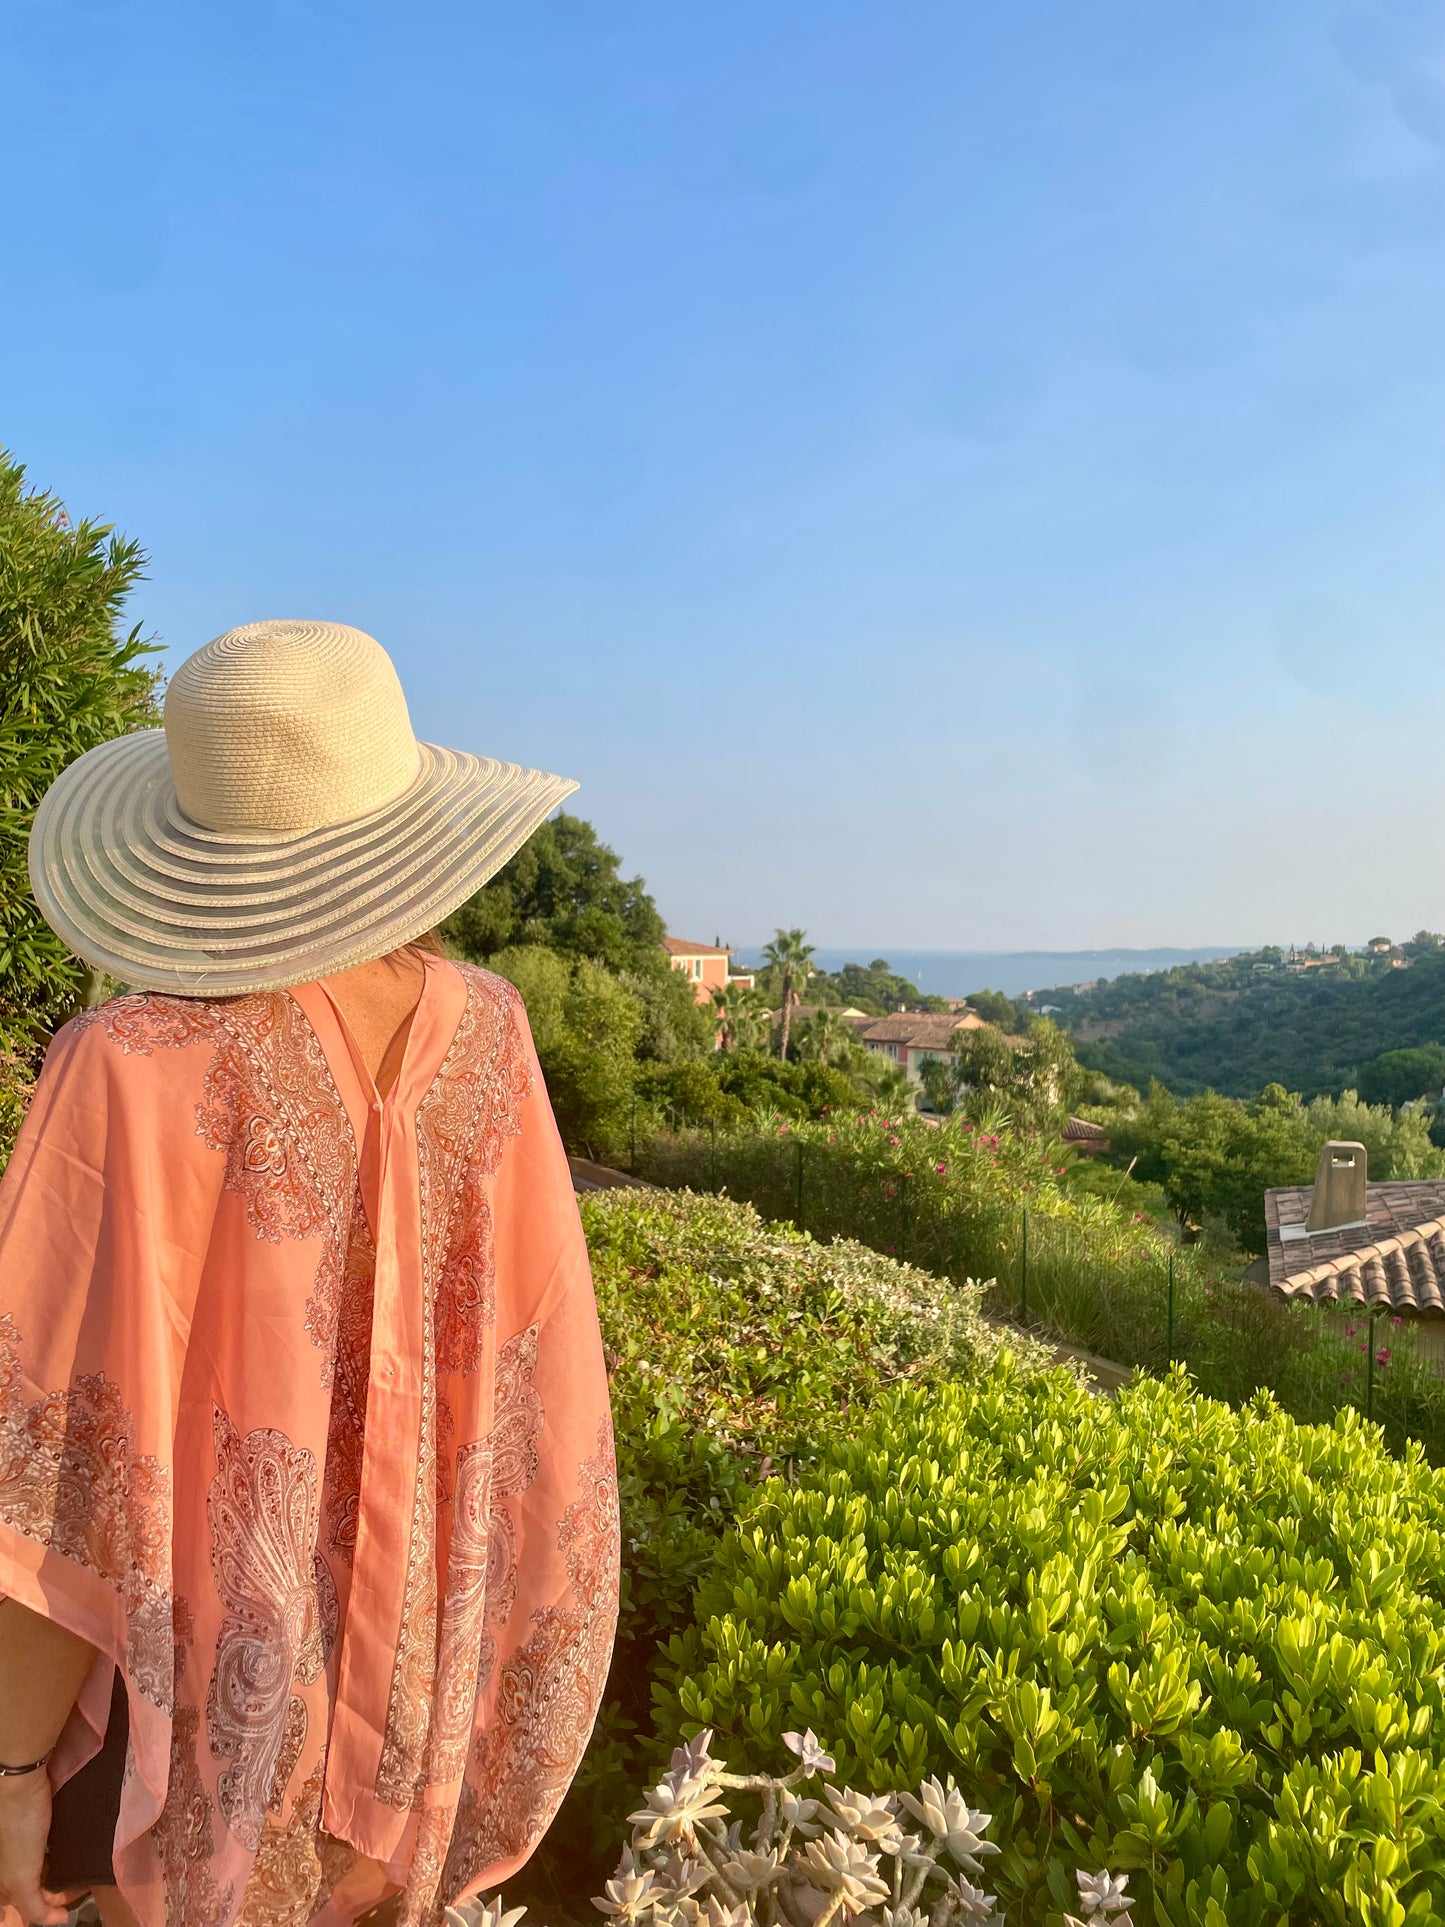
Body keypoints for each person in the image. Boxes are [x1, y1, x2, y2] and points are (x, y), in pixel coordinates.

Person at [0, 621, 619, 1927]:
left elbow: (51, 1479)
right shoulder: (490, 1031)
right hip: (410, 1725)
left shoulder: (125, 1064)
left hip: (173, 1743)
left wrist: (7, 1768)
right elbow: (541, 1406)